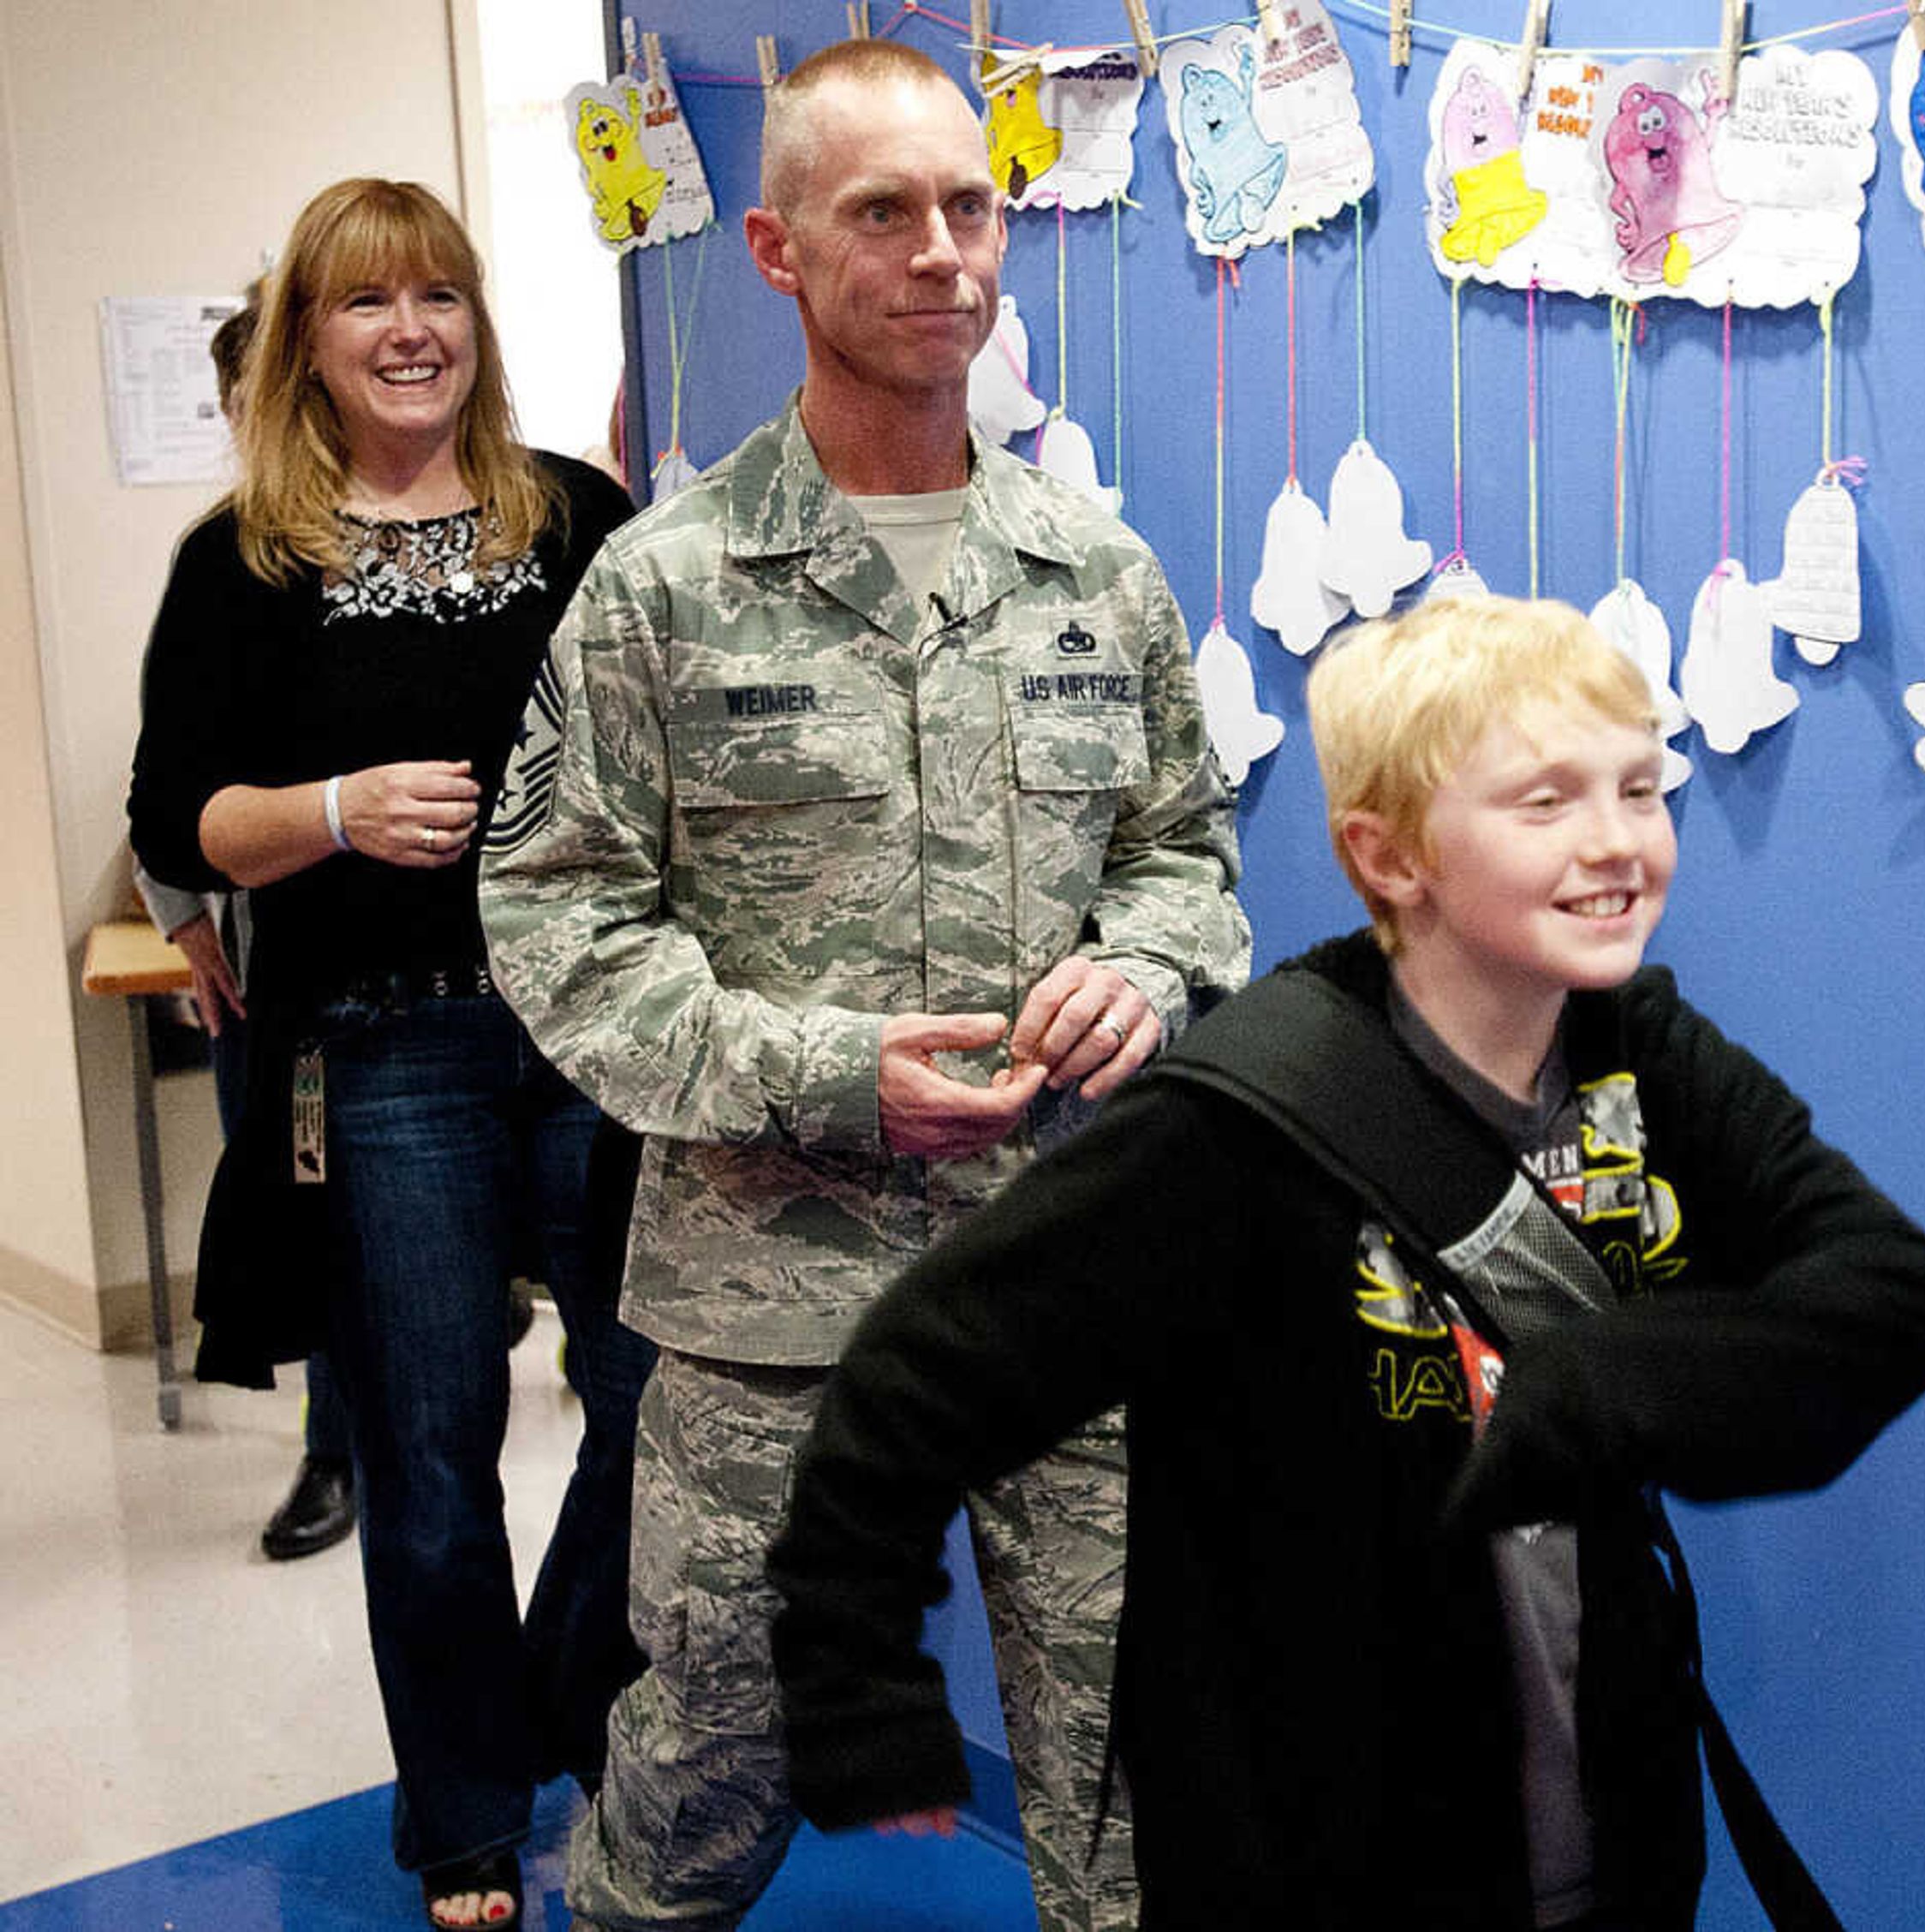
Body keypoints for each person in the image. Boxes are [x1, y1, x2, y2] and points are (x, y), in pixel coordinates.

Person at [766, 594, 1925, 1928]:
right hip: (1319, 1849)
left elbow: (1897, 1296)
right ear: (1389, 855)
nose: (1619, 842)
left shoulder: (1645, 1056)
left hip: (1612, 1826)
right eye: (1546, 802)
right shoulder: (1232, 1131)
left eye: (1642, 788)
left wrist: (1615, 1382)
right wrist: (858, 1684)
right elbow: (916, 1381)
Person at [475, 39, 1250, 1932]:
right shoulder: (663, 589)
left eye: (969, 206)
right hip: (771, 1304)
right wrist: (823, 1075)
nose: (942, 255)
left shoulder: (1097, 571)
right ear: (774, 248)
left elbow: (1185, 861)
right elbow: (557, 918)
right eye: (881, 211)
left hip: (1071, 1277)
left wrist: (1145, 973)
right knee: (707, 1776)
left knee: (1133, 1776)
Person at [122, 178, 653, 1931]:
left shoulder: (574, 515)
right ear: (310, 343)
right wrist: (336, 813)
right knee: (430, 1451)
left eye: (441, 293)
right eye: (367, 304)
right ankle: (468, 1819)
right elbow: (182, 822)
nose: (411, 329)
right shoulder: (246, 562)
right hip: (388, 1050)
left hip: (596, 1028)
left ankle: (555, 1701)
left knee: (661, 1399)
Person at [128, 282, 361, 1563]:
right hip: (275, 989)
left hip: (426, 991)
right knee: (296, 1205)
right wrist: (186, 922)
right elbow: (165, 779)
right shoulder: (225, 559)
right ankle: (335, 1452)